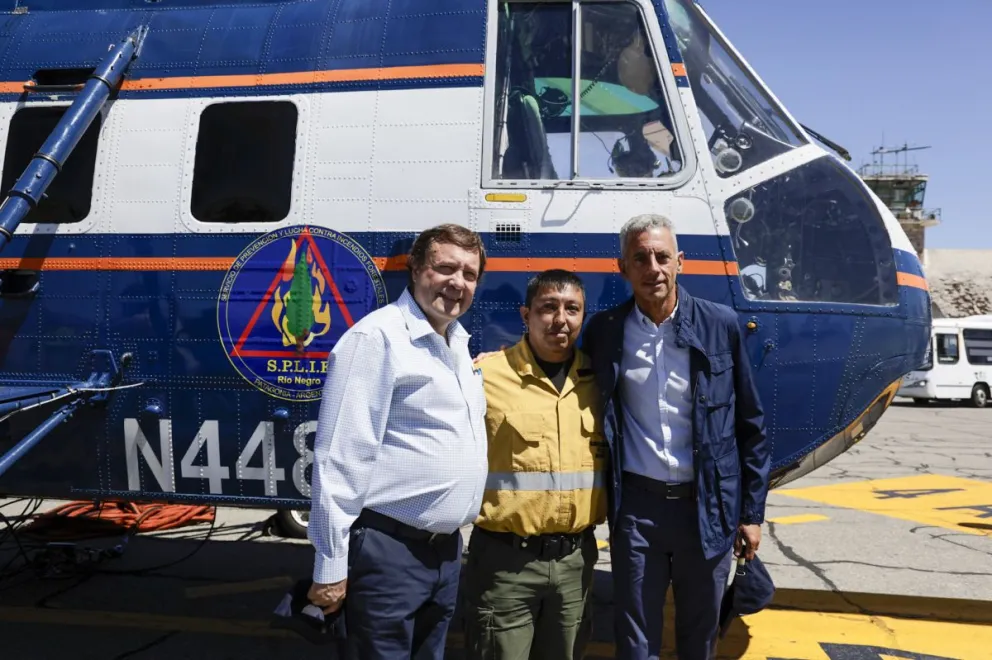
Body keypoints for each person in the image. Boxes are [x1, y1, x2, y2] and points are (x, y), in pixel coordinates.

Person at [581, 214, 770, 660]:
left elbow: (751, 425)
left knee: (699, 636)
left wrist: (751, 513)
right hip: (638, 511)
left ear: (680, 261)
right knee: (636, 639)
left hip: (706, 507)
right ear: (622, 268)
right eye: (640, 258)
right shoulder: (606, 332)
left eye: (662, 257)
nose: (653, 269)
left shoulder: (721, 325)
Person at [306, 223, 490, 659]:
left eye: (469, 274)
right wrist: (330, 566)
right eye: (445, 268)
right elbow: (338, 459)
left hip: (444, 555)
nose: (457, 282)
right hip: (389, 554)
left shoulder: (457, 345)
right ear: (416, 271)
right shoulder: (377, 340)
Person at [464, 269, 607, 659]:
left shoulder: (600, 380)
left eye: (572, 309)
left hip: (575, 562)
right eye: (548, 307)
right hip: (505, 563)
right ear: (526, 315)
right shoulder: (484, 376)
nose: (560, 319)